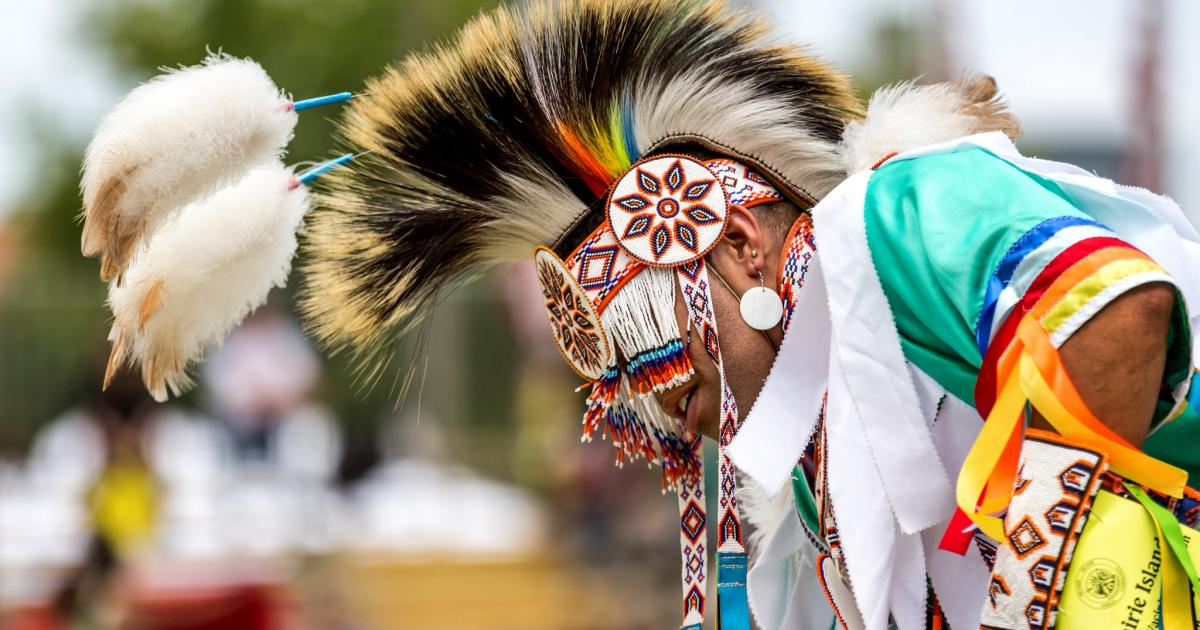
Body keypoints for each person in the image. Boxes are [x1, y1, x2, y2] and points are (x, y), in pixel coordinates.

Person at [82, 0, 1200, 628]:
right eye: (616, 380)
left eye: (648, 348)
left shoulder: (899, 216)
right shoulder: (798, 480)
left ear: (737, 240)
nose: (652, 401)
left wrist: (1046, 575)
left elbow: (1117, 316)